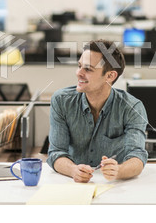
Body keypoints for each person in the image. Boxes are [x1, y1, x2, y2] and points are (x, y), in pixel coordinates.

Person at [47, 39, 148, 183]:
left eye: (87, 69)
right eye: (79, 66)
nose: (78, 73)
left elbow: (137, 157)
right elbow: (56, 153)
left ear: (110, 76)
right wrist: (73, 170)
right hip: (73, 183)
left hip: (114, 186)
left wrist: (119, 171)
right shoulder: (62, 101)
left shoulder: (132, 107)